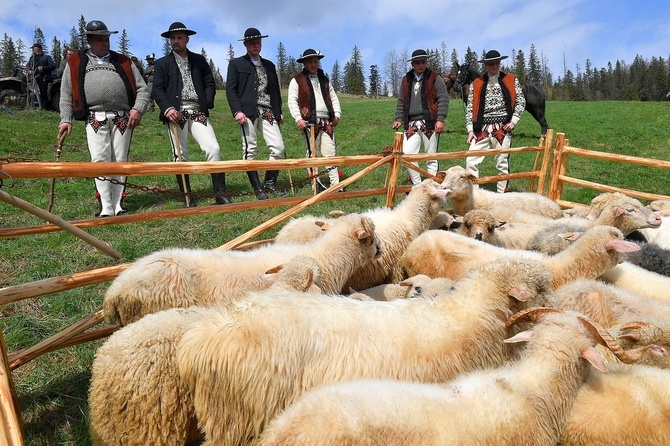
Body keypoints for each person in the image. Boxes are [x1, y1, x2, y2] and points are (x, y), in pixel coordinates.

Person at [58, 20, 150, 217]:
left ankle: (119, 205)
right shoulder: (75, 62)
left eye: (107, 39)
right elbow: (66, 92)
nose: (105, 43)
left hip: (123, 118)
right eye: (100, 39)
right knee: (99, 160)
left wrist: (137, 110)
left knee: (120, 159)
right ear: (89, 41)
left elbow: (143, 88)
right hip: (94, 117)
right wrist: (66, 119)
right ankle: (105, 206)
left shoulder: (124, 61)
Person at [153, 21, 230, 206]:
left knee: (214, 149)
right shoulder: (162, 63)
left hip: (197, 111)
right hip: (175, 113)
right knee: (180, 155)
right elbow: (157, 89)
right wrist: (168, 109)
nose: (176, 41)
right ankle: (187, 195)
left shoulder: (199, 61)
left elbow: (209, 82)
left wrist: (208, 101)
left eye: (180, 37)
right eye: (173, 38)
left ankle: (220, 194)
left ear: (187, 39)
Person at [226, 27, 285, 200]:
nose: (255, 45)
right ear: (245, 44)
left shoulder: (269, 65)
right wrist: (237, 111)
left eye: (258, 42)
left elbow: (275, 91)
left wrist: (278, 111)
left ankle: (269, 184)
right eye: (251, 42)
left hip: (267, 111)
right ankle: (257, 188)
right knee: (250, 149)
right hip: (247, 112)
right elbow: (231, 90)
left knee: (279, 148)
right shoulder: (236, 64)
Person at [465, 49, 526, 193]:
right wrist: (470, 130)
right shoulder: (477, 83)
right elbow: (470, 107)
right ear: (486, 65)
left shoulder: (511, 79)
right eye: (491, 64)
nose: (494, 66)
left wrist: (513, 121)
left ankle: (502, 197)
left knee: (502, 163)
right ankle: (475, 195)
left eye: (496, 63)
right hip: (482, 128)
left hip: (502, 127)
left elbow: (521, 101)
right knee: (471, 161)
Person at [287, 48, 343, 192]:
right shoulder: (297, 80)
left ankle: (335, 184)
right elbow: (292, 101)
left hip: (326, 121)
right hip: (309, 121)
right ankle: (316, 183)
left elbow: (334, 98)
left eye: (315, 61)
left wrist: (336, 115)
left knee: (330, 151)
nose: (313, 64)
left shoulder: (324, 79)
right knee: (312, 153)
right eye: (310, 62)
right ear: (304, 63)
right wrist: (298, 118)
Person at [393, 49, 449, 185]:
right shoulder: (406, 79)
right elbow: (401, 101)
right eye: (417, 63)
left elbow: (443, 99)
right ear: (412, 64)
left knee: (431, 157)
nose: (420, 65)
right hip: (411, 123)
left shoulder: (434, 77)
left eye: (423, 62)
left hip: (430, 122)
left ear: (426, 62)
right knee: (407, 155)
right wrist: (399, 118)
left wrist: (440, 119)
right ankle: (418, 185)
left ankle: (432, 185)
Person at [26, 42, 56, 108]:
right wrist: (29, 71)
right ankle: (26, 98)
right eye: (33, 49)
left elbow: (53, 66)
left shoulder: (46, 57)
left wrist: (43, 67)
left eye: (34, 49)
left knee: (43, 93)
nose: (33, 50)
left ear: (37, 49)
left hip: (44, 77)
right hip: (33, 77)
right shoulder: (32, 59)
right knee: (22, 79)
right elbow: (27, 66)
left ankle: (45, 107)